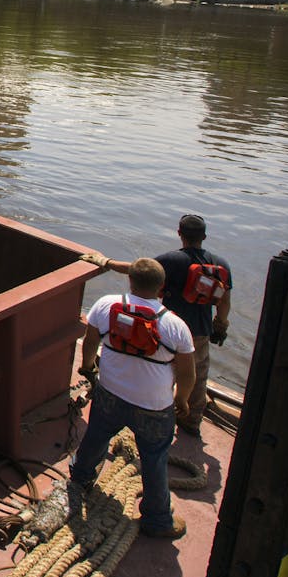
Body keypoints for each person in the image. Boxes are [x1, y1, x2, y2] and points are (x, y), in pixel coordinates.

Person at [71, 257, 196, 539]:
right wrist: (183, 400)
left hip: (111, 393)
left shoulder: (106, 305)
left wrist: (88, 367)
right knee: (154, 457)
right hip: (154, 406)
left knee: (97, 436)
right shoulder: (175, 326)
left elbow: (91, 342)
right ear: (162, 287)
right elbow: (188, 374)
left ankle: (80, 477)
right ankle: (158, 519)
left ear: (130, 280)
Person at [82, 214, 232, 436]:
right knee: (196, 376)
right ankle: (190, 421)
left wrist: (105, 262)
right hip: (199, 331)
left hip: (167, 329)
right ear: (204, 237)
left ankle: (153, 413)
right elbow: (224, 302)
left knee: (161, 372)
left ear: (179, 233)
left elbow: (138, 270)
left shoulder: (172, 261)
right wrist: (220, 325)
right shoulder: (221, 264)